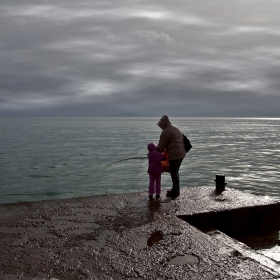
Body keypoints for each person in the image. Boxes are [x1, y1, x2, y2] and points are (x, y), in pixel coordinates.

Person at [156, 115, 186, 197]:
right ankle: (175, 189)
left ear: (163, 125)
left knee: (173, 172)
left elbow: (160, 147)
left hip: (174, 154)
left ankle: (176, 191)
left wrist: (154, 152)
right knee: (176, 172)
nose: (161, 128)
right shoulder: (175, 128)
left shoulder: (165, 132)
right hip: (182, 153)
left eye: (161, 126)